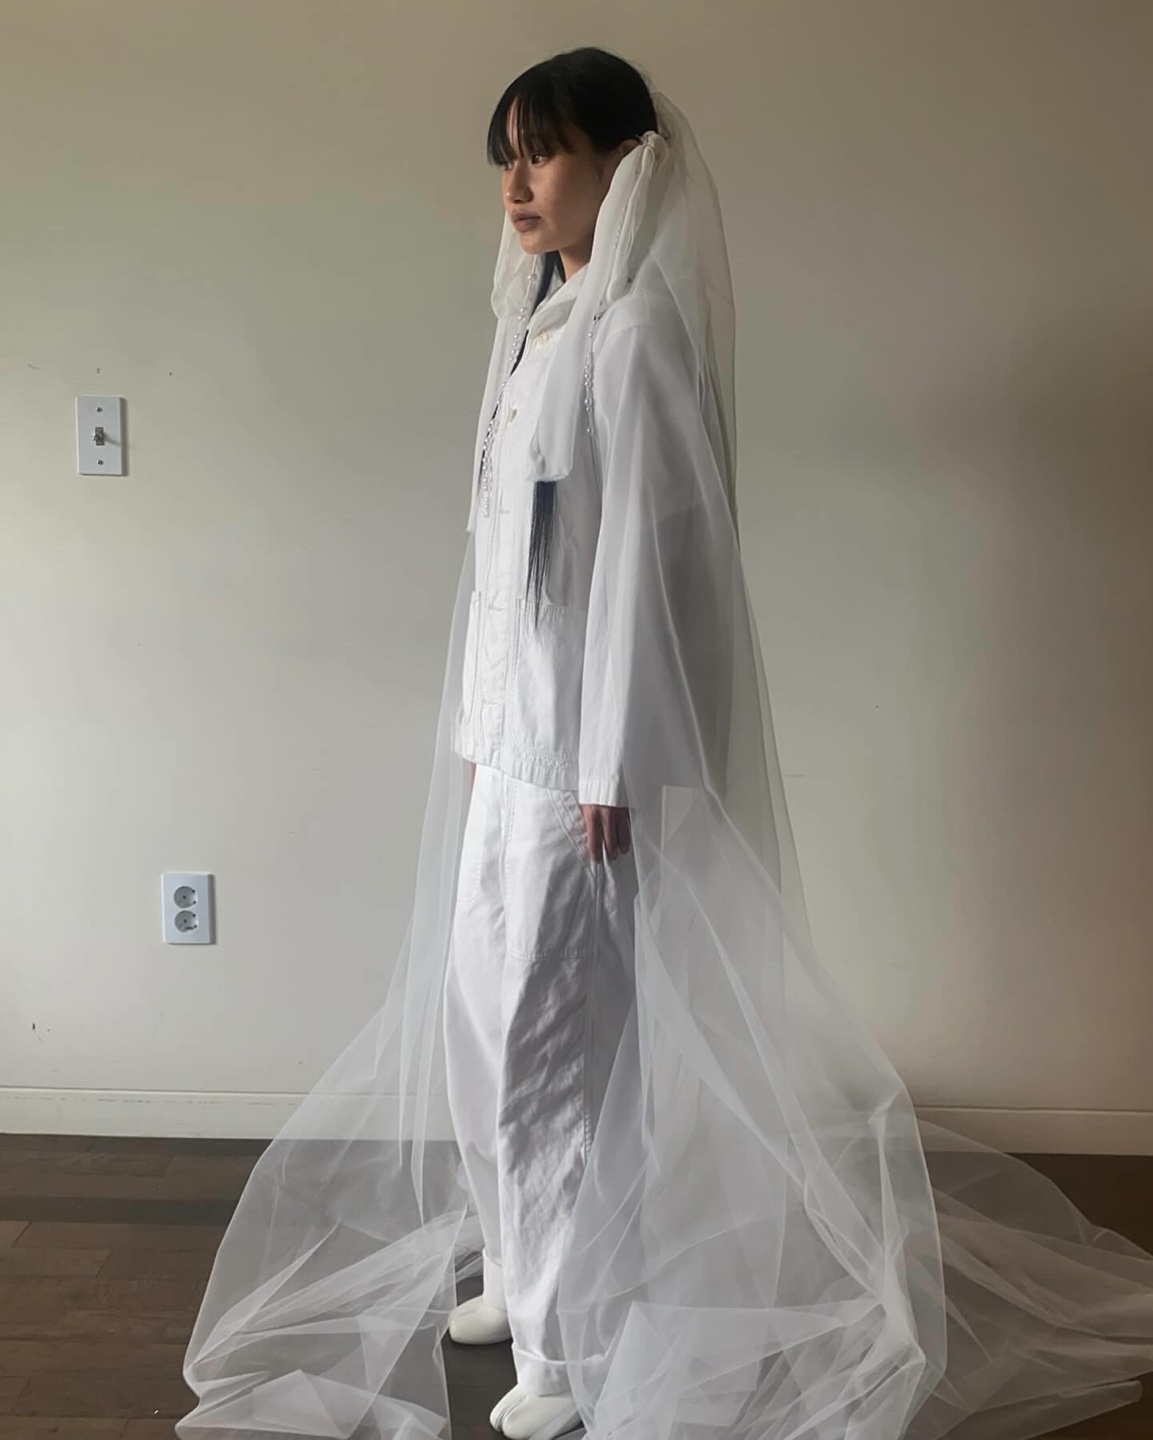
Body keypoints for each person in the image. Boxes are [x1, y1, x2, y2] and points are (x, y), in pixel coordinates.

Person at [178, 47, 1153, 1440]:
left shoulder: (632, 338)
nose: (516, 184)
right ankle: (519, 1270)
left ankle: (567, 1352)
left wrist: (611, 762)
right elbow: (505, 564)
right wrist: (477, 726)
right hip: (509, 746)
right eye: (506, 157)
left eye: (544, 152)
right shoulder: (535, 327)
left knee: (552, 1054)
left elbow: (649, 563)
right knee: (477, 1027)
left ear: (623, 165)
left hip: (581, 767)